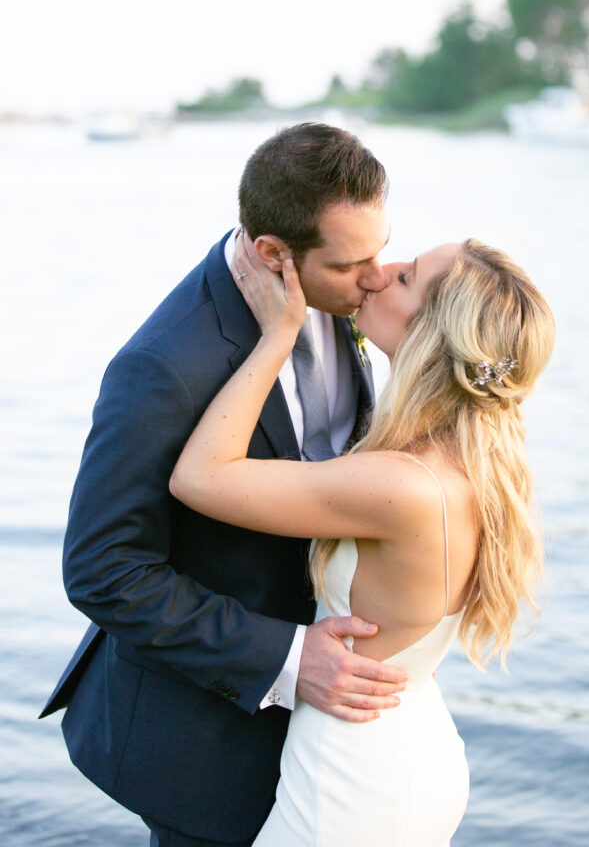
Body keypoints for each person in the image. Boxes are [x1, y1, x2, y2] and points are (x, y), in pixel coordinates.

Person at [39, 123, 411, 847]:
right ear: (272, 254)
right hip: (202, 739)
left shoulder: (344, 296)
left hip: (327, 731)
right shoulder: (165, 365)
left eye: (380, 250)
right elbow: (103, 570)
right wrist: (289, 657)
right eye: (350, 264)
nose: (376, 278)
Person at [170, 233, 555, 847]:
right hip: (406, 746)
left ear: (432, 334)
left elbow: (200, 477)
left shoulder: (404, 484)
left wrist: (278, 336)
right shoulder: (468, 461)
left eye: (407, 278)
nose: (382, 271)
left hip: (353, 783)